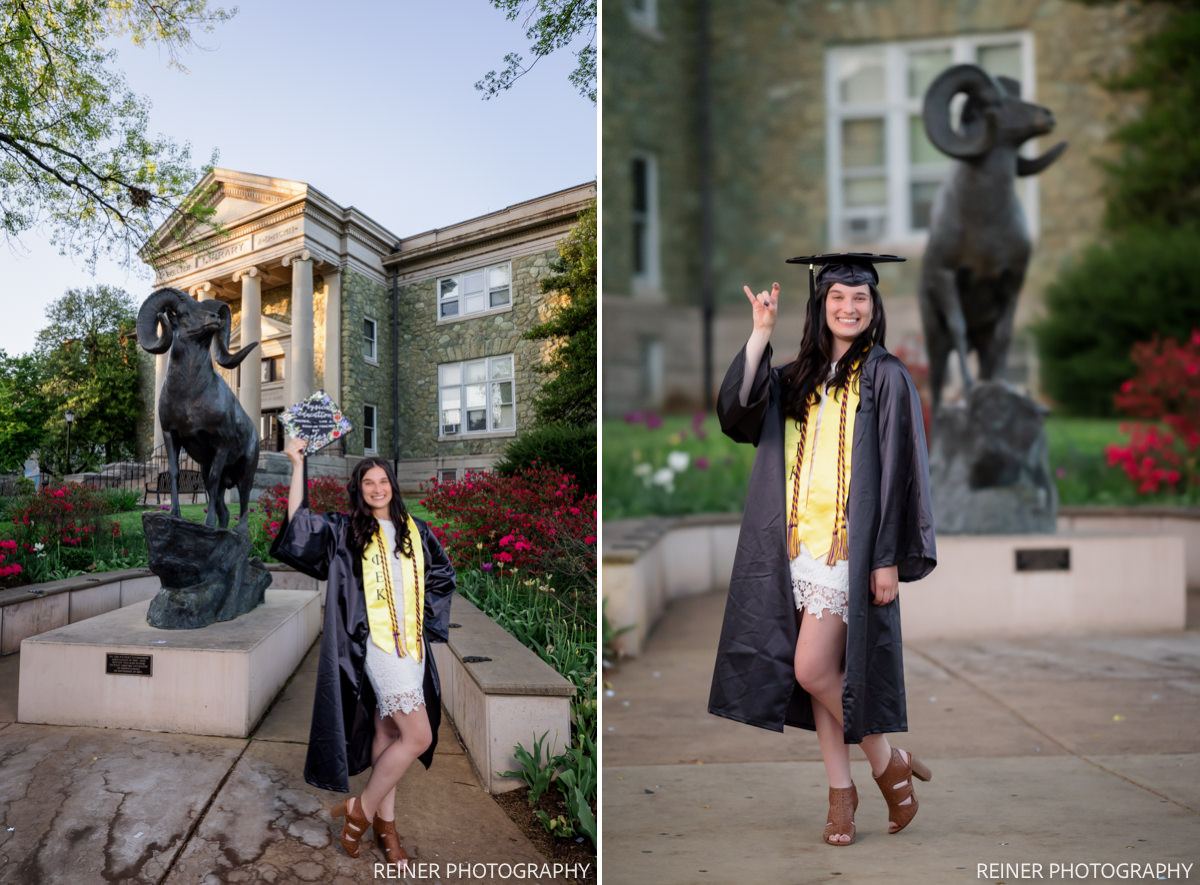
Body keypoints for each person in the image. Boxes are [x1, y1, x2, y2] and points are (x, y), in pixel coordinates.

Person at [708, 252, 937, 846]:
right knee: (821, 676)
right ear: (821, 305)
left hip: (849, 553)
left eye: (859, 298)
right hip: (796, 549)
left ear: (873, 305)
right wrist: (760, 333)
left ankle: (886, 763)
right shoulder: (797, 377)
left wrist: (887, 556)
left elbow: (902, 472)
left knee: (810, 669)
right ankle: (843, 794)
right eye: (838, 297)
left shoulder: (886, 376)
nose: (849, 307)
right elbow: (737, 413)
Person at [271, 437, 456, 867]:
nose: (377, 488)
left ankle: (386, 830)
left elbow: (443, 577)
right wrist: (298, 464)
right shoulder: (346, 530)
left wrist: (423, 623)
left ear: (393, 484)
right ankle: (361, 810)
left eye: (383, 480)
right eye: (368, 483)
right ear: (359, 490)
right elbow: (300, 527)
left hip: (411, 647)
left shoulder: (417, 531)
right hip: (374, 648)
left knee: (388, 734)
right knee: (418, 735)